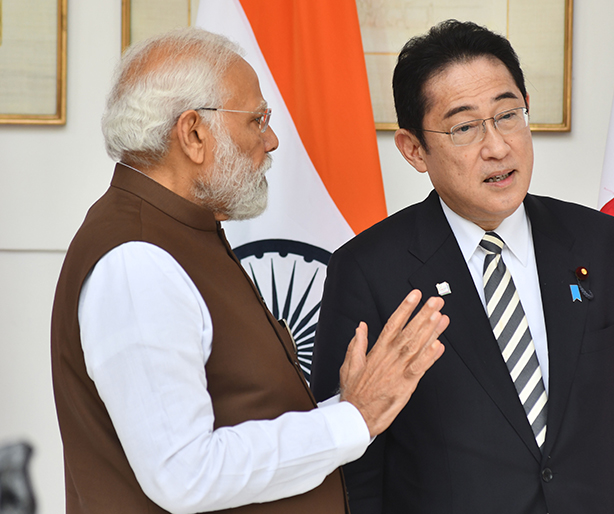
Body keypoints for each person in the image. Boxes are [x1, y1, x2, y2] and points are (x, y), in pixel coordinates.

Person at [50, 28, 449, 514]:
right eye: (257, 119)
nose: (273, 139)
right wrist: (353, 418)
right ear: (194, 132)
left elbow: (236, 418)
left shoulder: (180, 230)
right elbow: (184, 474)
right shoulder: (138, 261)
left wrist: (348, 405)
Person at [311, 20, 614, 514]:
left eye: (508, 115)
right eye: (465, 127)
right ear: (413, 150)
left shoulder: (599, 244)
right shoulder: (368, 271)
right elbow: (355, 470)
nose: (498, 146)